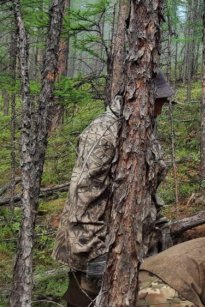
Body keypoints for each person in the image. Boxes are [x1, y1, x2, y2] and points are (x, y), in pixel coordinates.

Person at [53, 71, 175, 307]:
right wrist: (95, 255)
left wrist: (159, 226)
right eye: (160, 101)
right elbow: (82, 194)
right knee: (84, 300)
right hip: (97, 248)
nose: (162, 108)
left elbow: (146, 189)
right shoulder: (102, 133)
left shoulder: (143, 130)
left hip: (133, 246)